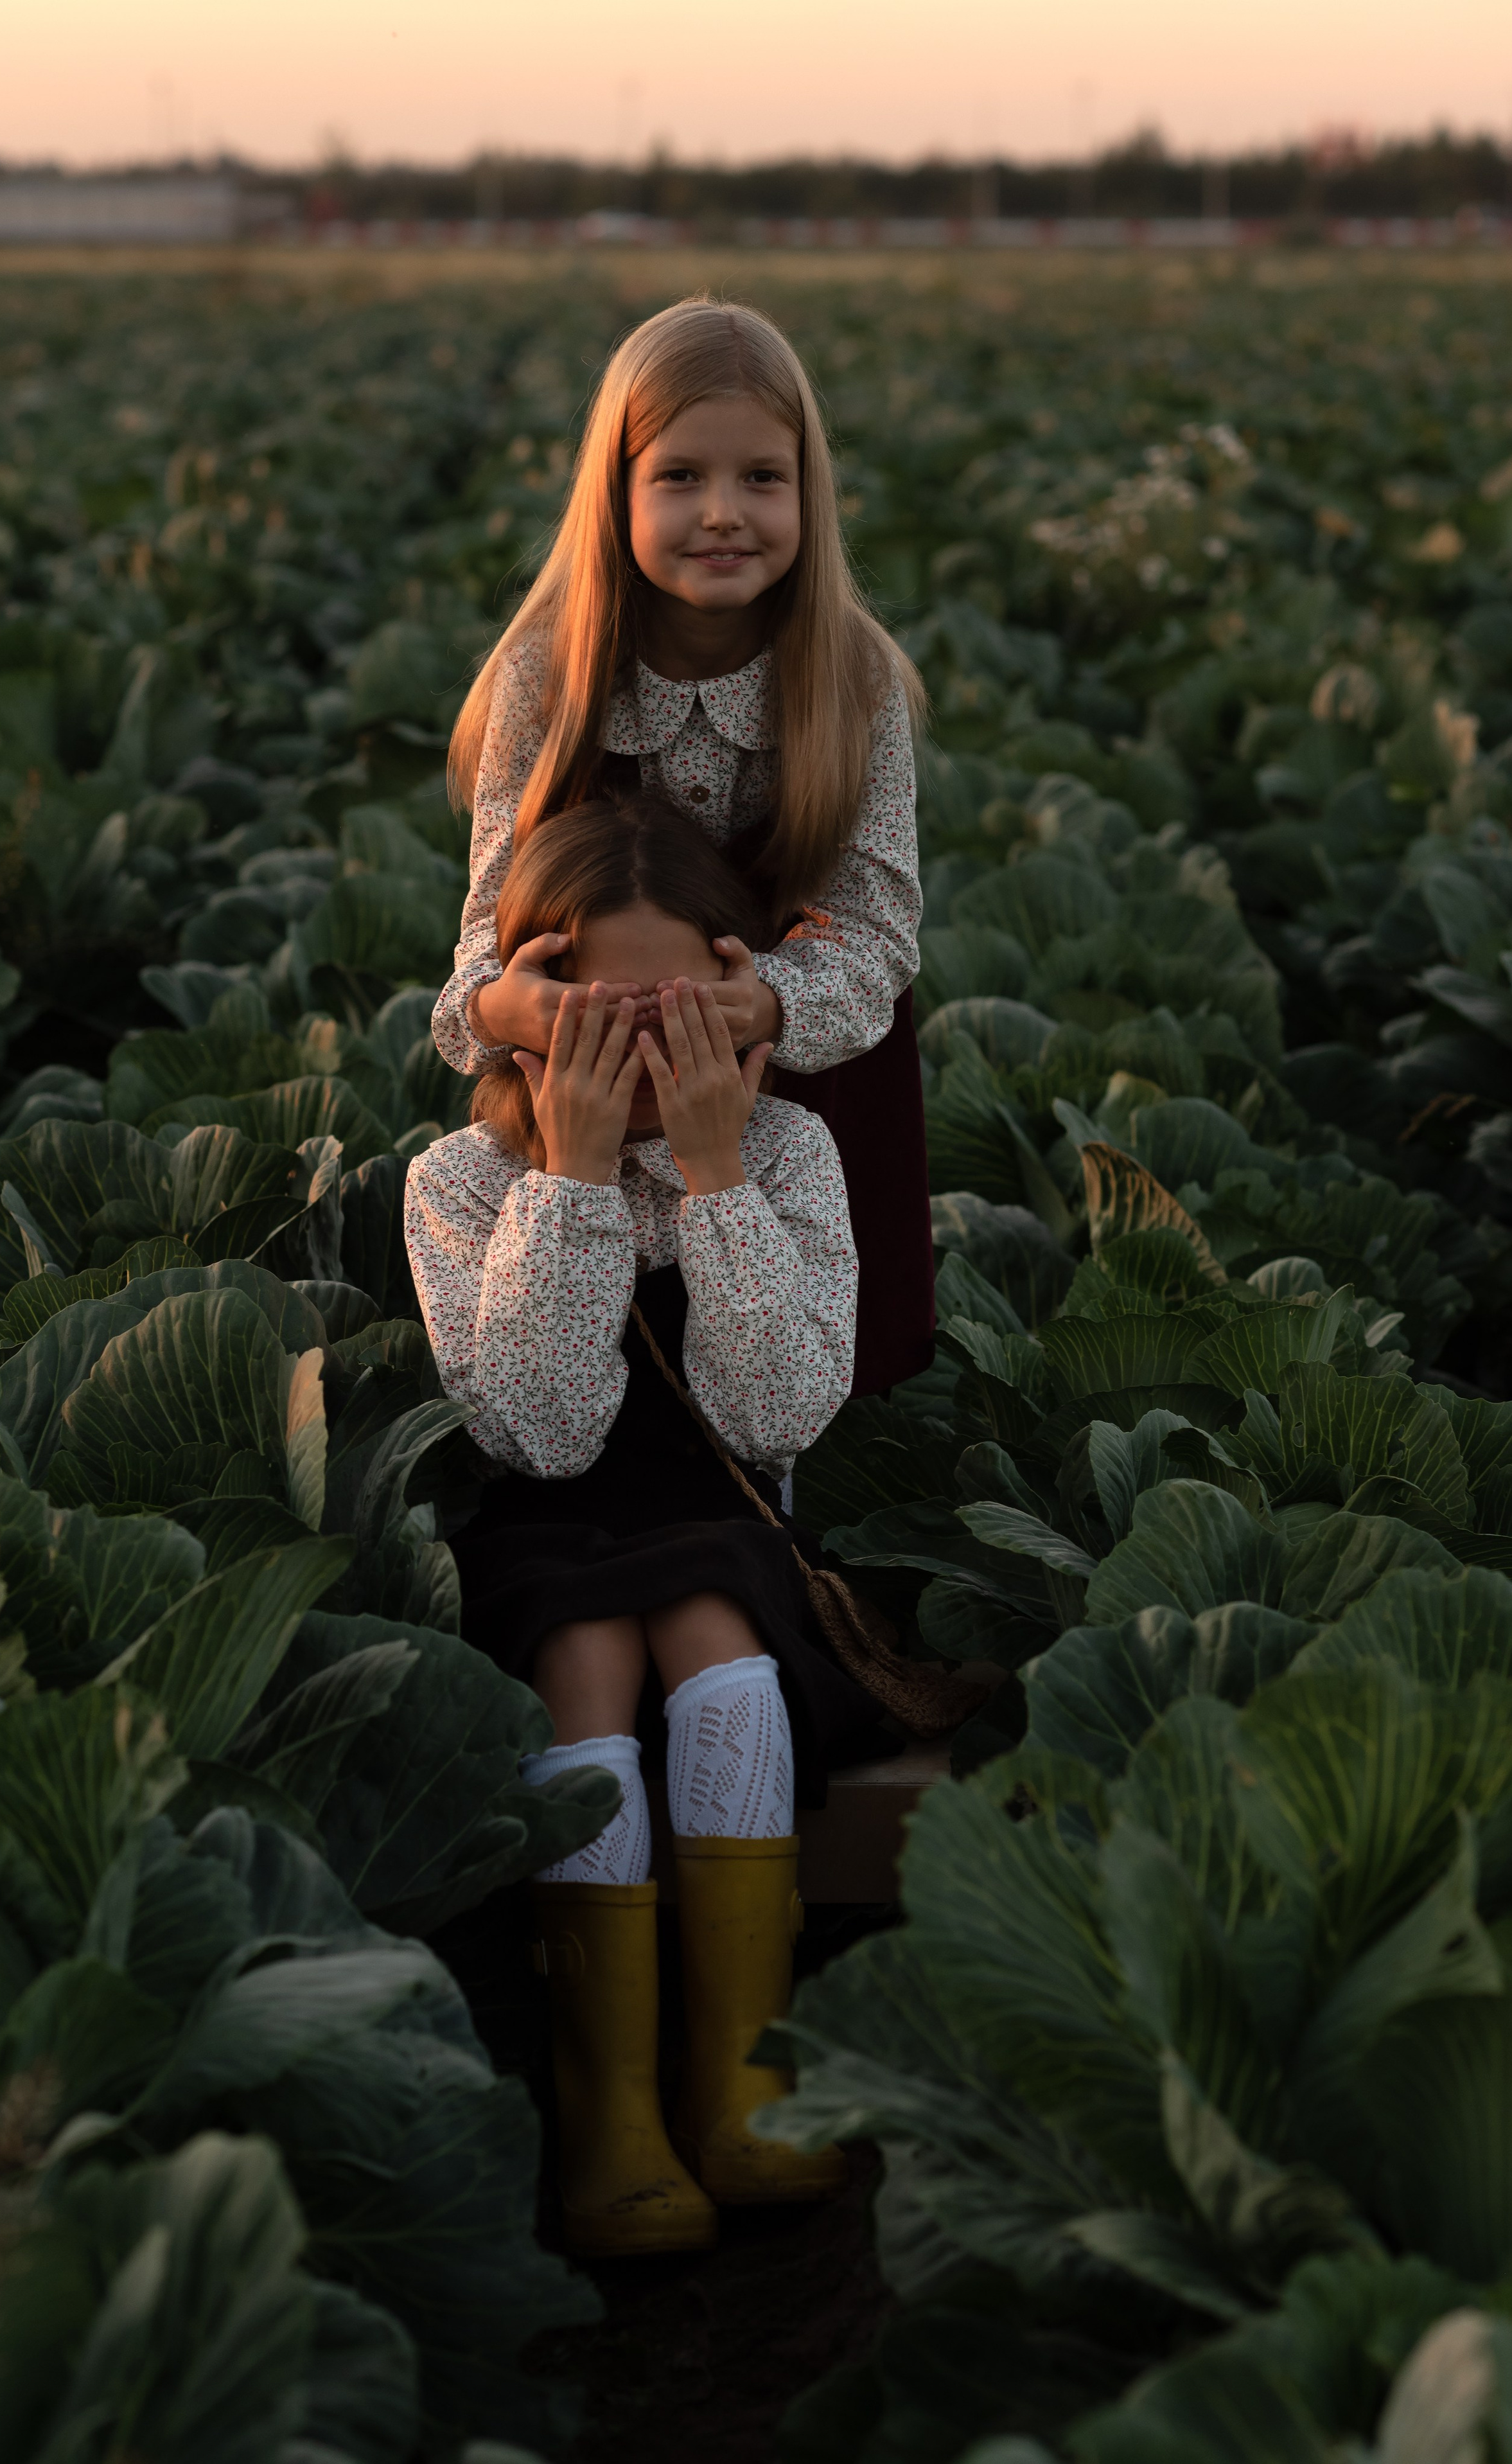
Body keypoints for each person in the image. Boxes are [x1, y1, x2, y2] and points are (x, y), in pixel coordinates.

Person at [405, 794, 894, 2258]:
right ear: (517, 1016)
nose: (634, 1051)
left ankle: (739, 2075)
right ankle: (610, 2105)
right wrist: (564, 1179)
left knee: (711, 1639)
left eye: (672, 1011)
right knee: (587, 1660)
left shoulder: (792, 1157)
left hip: (722, 1529)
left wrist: (714, 1174)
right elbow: (538, 1431)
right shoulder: (458, 1182)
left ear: (740, 998)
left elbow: (776, 1420)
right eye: (592, 1017)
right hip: (541, 1536)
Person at [434, 292, 933, 1398]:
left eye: (762, 477)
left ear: (810, 492)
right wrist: (501, 1010)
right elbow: (485, 924)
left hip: (799, 1081)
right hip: (587, 1076)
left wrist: (767, 1008)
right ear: (614, 496)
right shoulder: (544, 680)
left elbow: (882, 922)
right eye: (679, 477)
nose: (723, 512)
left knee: (810, 1369)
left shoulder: (851, 679)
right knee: (577, 1357)